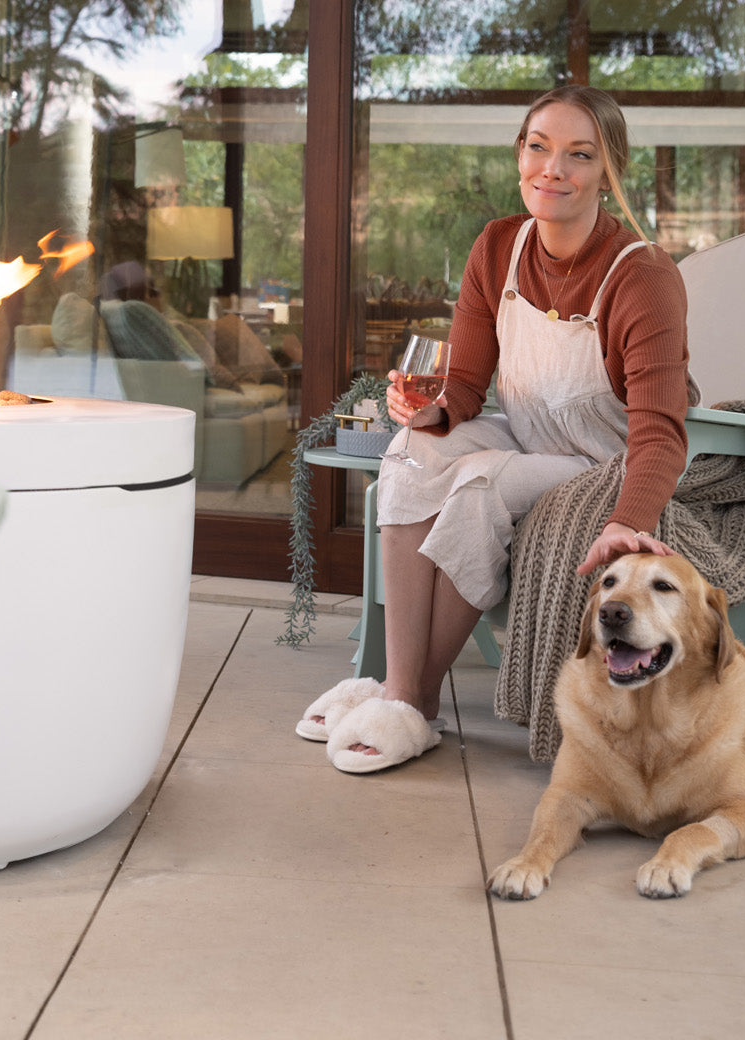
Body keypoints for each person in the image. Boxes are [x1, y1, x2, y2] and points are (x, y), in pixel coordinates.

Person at [297, 85, 695, 774]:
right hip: (526, 434)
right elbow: (468, 386)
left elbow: (660, 431)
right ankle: (400, 693)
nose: (553, 170)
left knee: (478, 484)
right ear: (520, 153)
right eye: (539, 148)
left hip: (604, 458)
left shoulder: (643, 274)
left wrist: (626, 520)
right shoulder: (499, 245)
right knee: (410, 453)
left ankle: (408, 700)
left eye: (578, 154)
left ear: (608, 169)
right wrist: (432, 411)